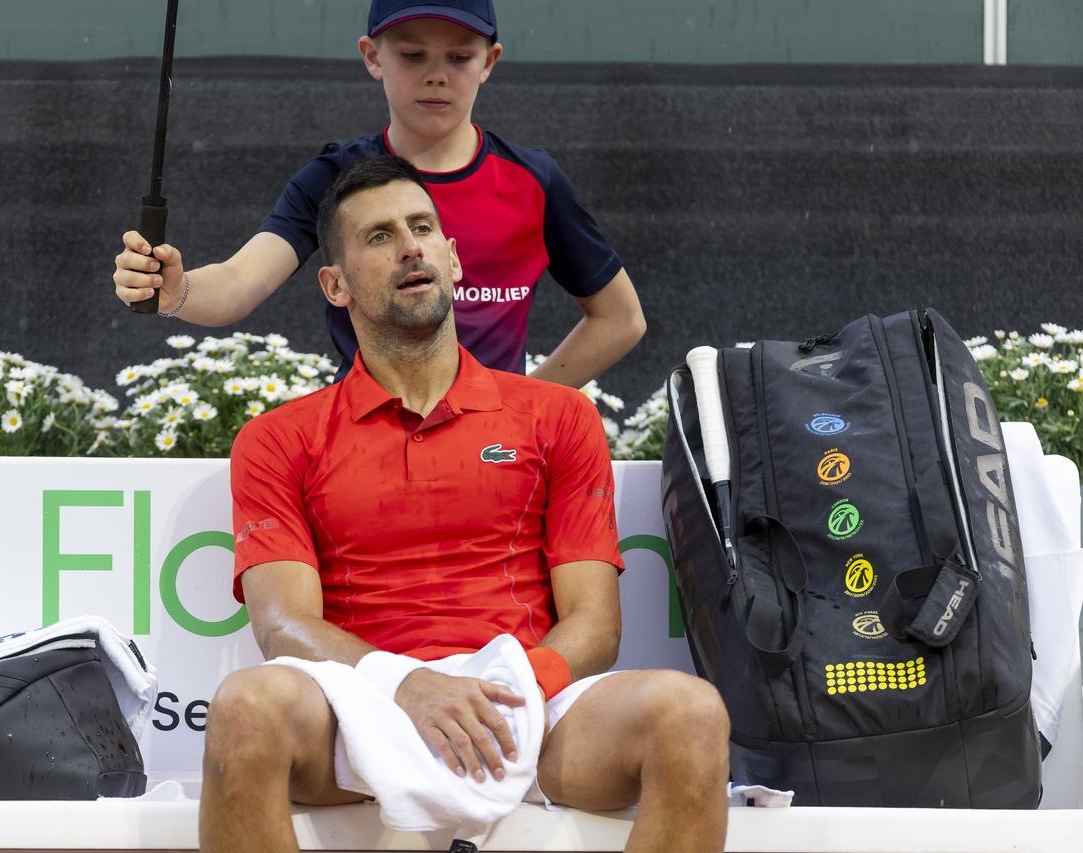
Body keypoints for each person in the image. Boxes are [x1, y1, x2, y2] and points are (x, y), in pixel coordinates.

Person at [199, 155, 728, 853]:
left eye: (422, 228)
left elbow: (595, 623)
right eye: (380, 237)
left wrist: (503, 692)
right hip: (364, 705)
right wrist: (411, 685)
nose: (410, 245)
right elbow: (283, 626)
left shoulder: (558, 416)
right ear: (335, 284)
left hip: (521, 705)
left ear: (453, 260)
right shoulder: (278, 439)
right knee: (245, 707)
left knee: (689, 712)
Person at [113, 0, 645, 389]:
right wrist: (174, 289)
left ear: (490, 62)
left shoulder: (534, 179)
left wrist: (526, 401)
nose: (437, 76)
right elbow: (237, 283)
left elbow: (621, 318)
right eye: (413, 55)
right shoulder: (333, 177)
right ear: (372, 56)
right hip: (362, 449)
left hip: (495, 458)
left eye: (459, 58)